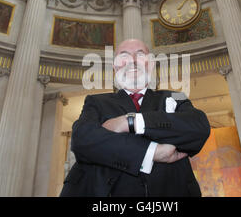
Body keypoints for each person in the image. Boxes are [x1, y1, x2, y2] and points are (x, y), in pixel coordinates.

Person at [60, 39, 210, 197]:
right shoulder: (96, 101)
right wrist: (152, 152)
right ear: (115, 66)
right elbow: (82, 139)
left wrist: (130, 122)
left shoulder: (176, 95)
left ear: (151, 64)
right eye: (124, 55)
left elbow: (198, 126)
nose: (132, 61)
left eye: (140, 54)